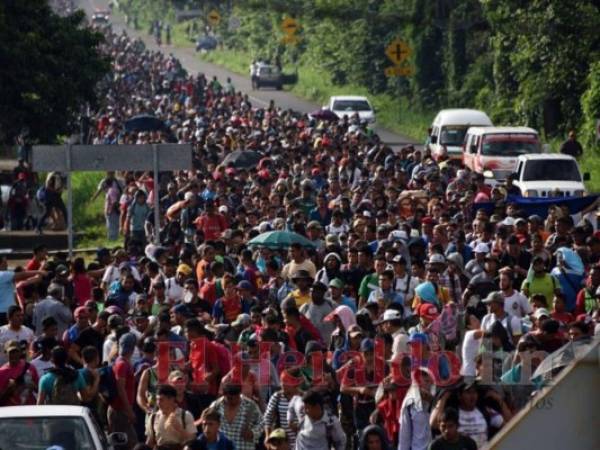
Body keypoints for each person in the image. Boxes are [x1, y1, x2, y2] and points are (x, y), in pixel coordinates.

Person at [210, 383, 263, 450]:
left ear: (239, 394)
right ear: (224, 395)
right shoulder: (216, 406)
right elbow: (207, 422)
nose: (233, 401)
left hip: (243, 446)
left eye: (236, 398)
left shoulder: (250, 406)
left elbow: (262, 423)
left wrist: (253, 433)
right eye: (230, 398)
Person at [145, 384, 197, 448]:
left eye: (161, 400)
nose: (158, 403)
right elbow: (150, 441)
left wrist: (179, 429)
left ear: (171, 399)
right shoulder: (153, 417)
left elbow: (193, 441)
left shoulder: (185, 415)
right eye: (157, 400)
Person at [0, 255, 46, 326]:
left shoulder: (13, 282)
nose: (6, 264)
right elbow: (23, 275)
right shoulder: (3, 275)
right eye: (5, 262)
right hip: (6, 312)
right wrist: (40, 271)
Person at [0, 340, 39, 406]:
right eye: (11, 352)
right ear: (5, 353)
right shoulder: (1, 372)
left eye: (16, 352)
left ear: (20, 352)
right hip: (11, 411)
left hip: (29, 409)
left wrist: (33, 385)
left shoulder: (30, 367)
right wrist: (9, 388)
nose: (14, 355)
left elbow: (39, 390)